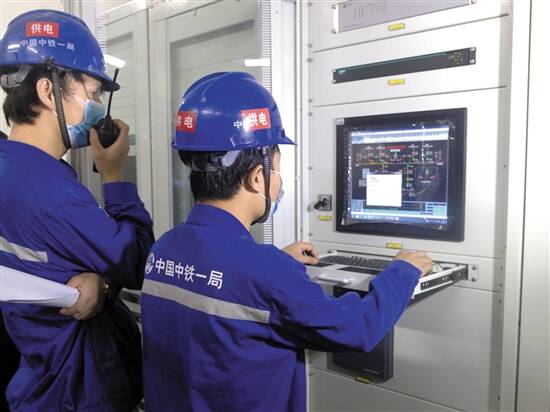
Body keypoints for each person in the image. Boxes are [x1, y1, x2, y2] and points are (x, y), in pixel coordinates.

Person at [140, 71, 433, 412]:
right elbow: (357, 329)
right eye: (277, 169)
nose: (278, 182)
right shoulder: (265, 272)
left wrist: (280, 262)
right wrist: (403, 271)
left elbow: (229, 289)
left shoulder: (164, 248)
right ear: (256, 178)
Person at [0, 10, 154, 412]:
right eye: (93, 92)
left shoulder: (12, 167)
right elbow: (137, 261)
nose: (98, 106)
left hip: (36, 377)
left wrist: (101, 282)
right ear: (47, 91)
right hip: (76, 391)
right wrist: (115, 175)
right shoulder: (51, 193)